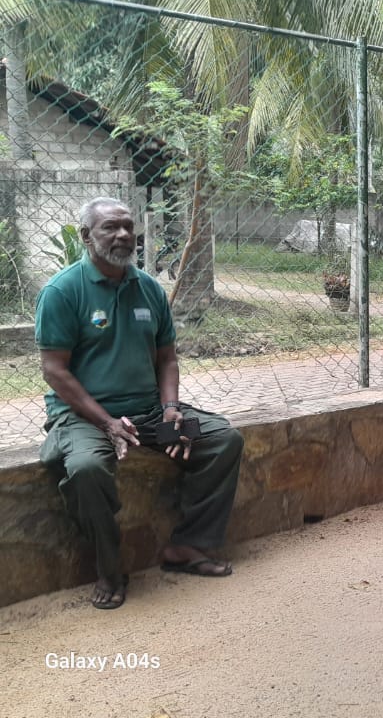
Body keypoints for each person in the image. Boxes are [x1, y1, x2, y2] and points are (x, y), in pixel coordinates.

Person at [36, 197, 243, 610]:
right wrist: (108, 422)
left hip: (149, 411)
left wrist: (171, 410)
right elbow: (55, 372)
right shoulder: (62, 291)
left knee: (223, 440)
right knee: (87, 468)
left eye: (128, 226)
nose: (123, 235)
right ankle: (109, 567)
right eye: (110, 227)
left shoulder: (148, 288)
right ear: (86, 236)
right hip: (85, 416)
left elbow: (166, 358)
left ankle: (188, 547)